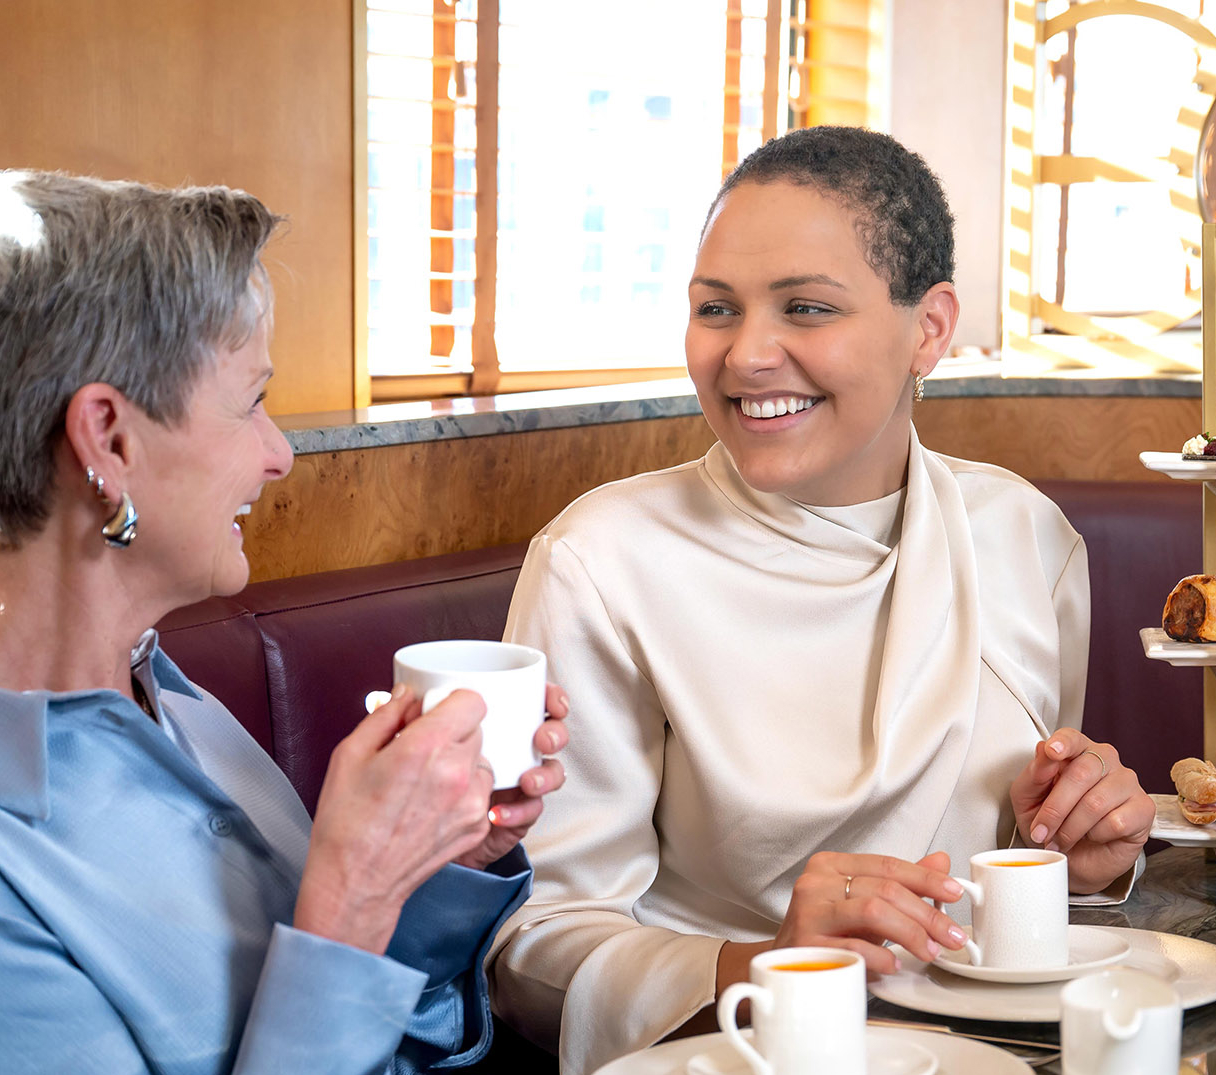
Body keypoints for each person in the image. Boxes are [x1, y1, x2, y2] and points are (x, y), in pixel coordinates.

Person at [0, 170, 569, 1074]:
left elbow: (395, 1042)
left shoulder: (171, 703)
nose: (280, 454)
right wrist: (348, 898)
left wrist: (431, 861)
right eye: (251, 399)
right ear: (109, 440)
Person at [490, 127, 1156, 1072]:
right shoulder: (601, 561)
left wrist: (1083, 864)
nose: (748, 354)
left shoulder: (1026, 537)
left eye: (805, 307)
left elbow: (1031, 892)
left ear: (929, 327)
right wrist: (761, 968)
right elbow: (532, 952)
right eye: (715, 309)